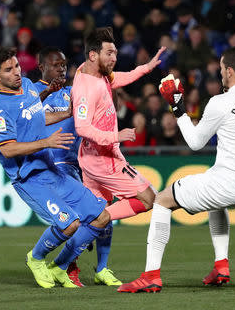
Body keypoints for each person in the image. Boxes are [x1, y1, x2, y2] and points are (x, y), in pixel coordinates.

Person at [118, 46, 235, 293]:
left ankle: (150, 275)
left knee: (162, 200)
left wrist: (178, 108)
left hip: (230, 184)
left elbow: (195, 142)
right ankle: (221, 265)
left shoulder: (220, 102)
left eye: (221, 69)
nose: (220, 74)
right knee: (215, 197)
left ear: (230, 71)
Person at [0, 47, 112, 289]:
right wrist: (46, 142)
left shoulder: (26, 84)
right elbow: (7, 149)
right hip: (30, 177)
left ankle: (60, 266)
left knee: (101, 217)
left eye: (17, 66)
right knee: (69, 223)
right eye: (9, 70)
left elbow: (36, 115)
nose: (16, 72)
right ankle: (35, 258)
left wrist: (61, 108)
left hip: (49, 167)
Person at [70, 27, 165, 285]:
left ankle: (82, 268)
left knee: (92, 217)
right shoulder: (86, 87)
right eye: (109, 53)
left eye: (115, 52)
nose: (114, 58)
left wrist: (146, 67)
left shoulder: (92, 71)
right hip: (105, 160)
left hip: (92, 160)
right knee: (148, 198)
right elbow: (81, 127)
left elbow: (117, 78)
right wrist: (117, 136)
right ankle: (79, 257)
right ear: (93, 54)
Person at [32, 47, 87, 287]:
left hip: (74, 163)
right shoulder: (31, 92)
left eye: (64, 65)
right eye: (56, 65)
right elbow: (30, 119)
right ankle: (64, 267)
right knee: (74, 221)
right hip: (49, 165)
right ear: (41, 65)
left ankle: (68, 266)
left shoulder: (70, 93)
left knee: (87, 220)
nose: (61, 69)